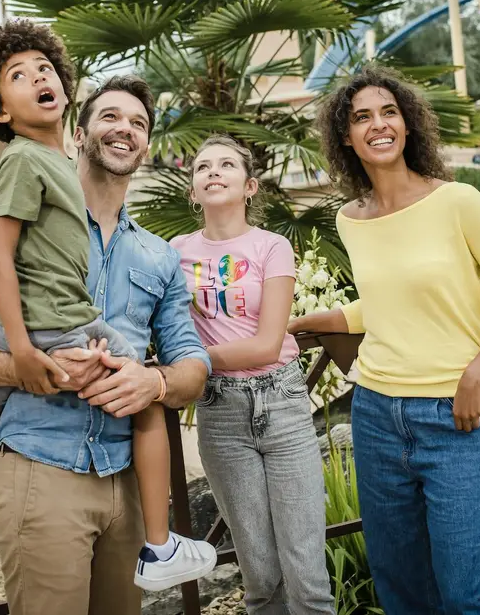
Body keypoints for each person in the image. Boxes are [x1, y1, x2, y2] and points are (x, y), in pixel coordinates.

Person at [0, 36, 214, 615]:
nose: (125, 128)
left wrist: (153, 384)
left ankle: (160, 550)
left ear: (146, 145)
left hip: (128, 480)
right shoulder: (26, 220)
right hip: (42, 470)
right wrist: (31, 367)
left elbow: (192, 364)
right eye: (109, 115)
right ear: (80, 134)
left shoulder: (161, 258)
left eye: (138, 122)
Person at [289, 64, 480, 614]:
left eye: (389, 112)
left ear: (407, 124)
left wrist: (477, 373)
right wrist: (308, 322)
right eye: (361, 117)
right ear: (346, 136)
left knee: (464, 589)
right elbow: (384, 303)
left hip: (457, 418)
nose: (378, 125)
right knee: (400, 586)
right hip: (375, 416)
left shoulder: (459, 201)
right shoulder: (350, 219)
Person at [171, 135, 332, 615]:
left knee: (307, 576)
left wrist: (190, 360)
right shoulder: (172, 251)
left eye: (226, 165)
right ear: (194, 191)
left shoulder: (272, 246)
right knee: (259, 577)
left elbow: (266, 343)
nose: (213, 172)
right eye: (202, 167)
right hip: (220, 412)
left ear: (250, 186)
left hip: (280, 402)